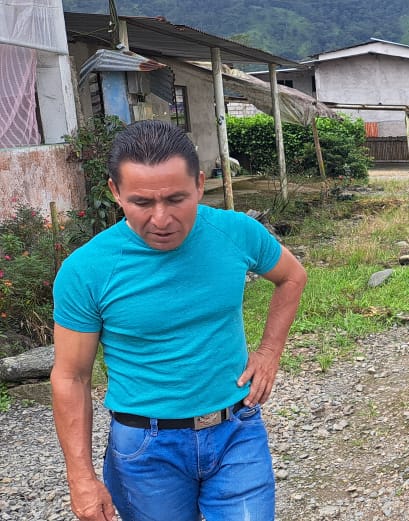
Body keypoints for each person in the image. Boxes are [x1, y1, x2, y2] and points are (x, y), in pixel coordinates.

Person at [51, 120, 307, 521]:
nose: (161, 219)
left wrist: (270, 352)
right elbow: (71, 377)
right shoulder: (86, 270)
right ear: (115, 192)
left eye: (176, 199)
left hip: (236, 433)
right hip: (145, 451)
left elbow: (292, 276)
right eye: (141, 202)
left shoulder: (235, 232)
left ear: (200, 184)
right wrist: (80, 478)